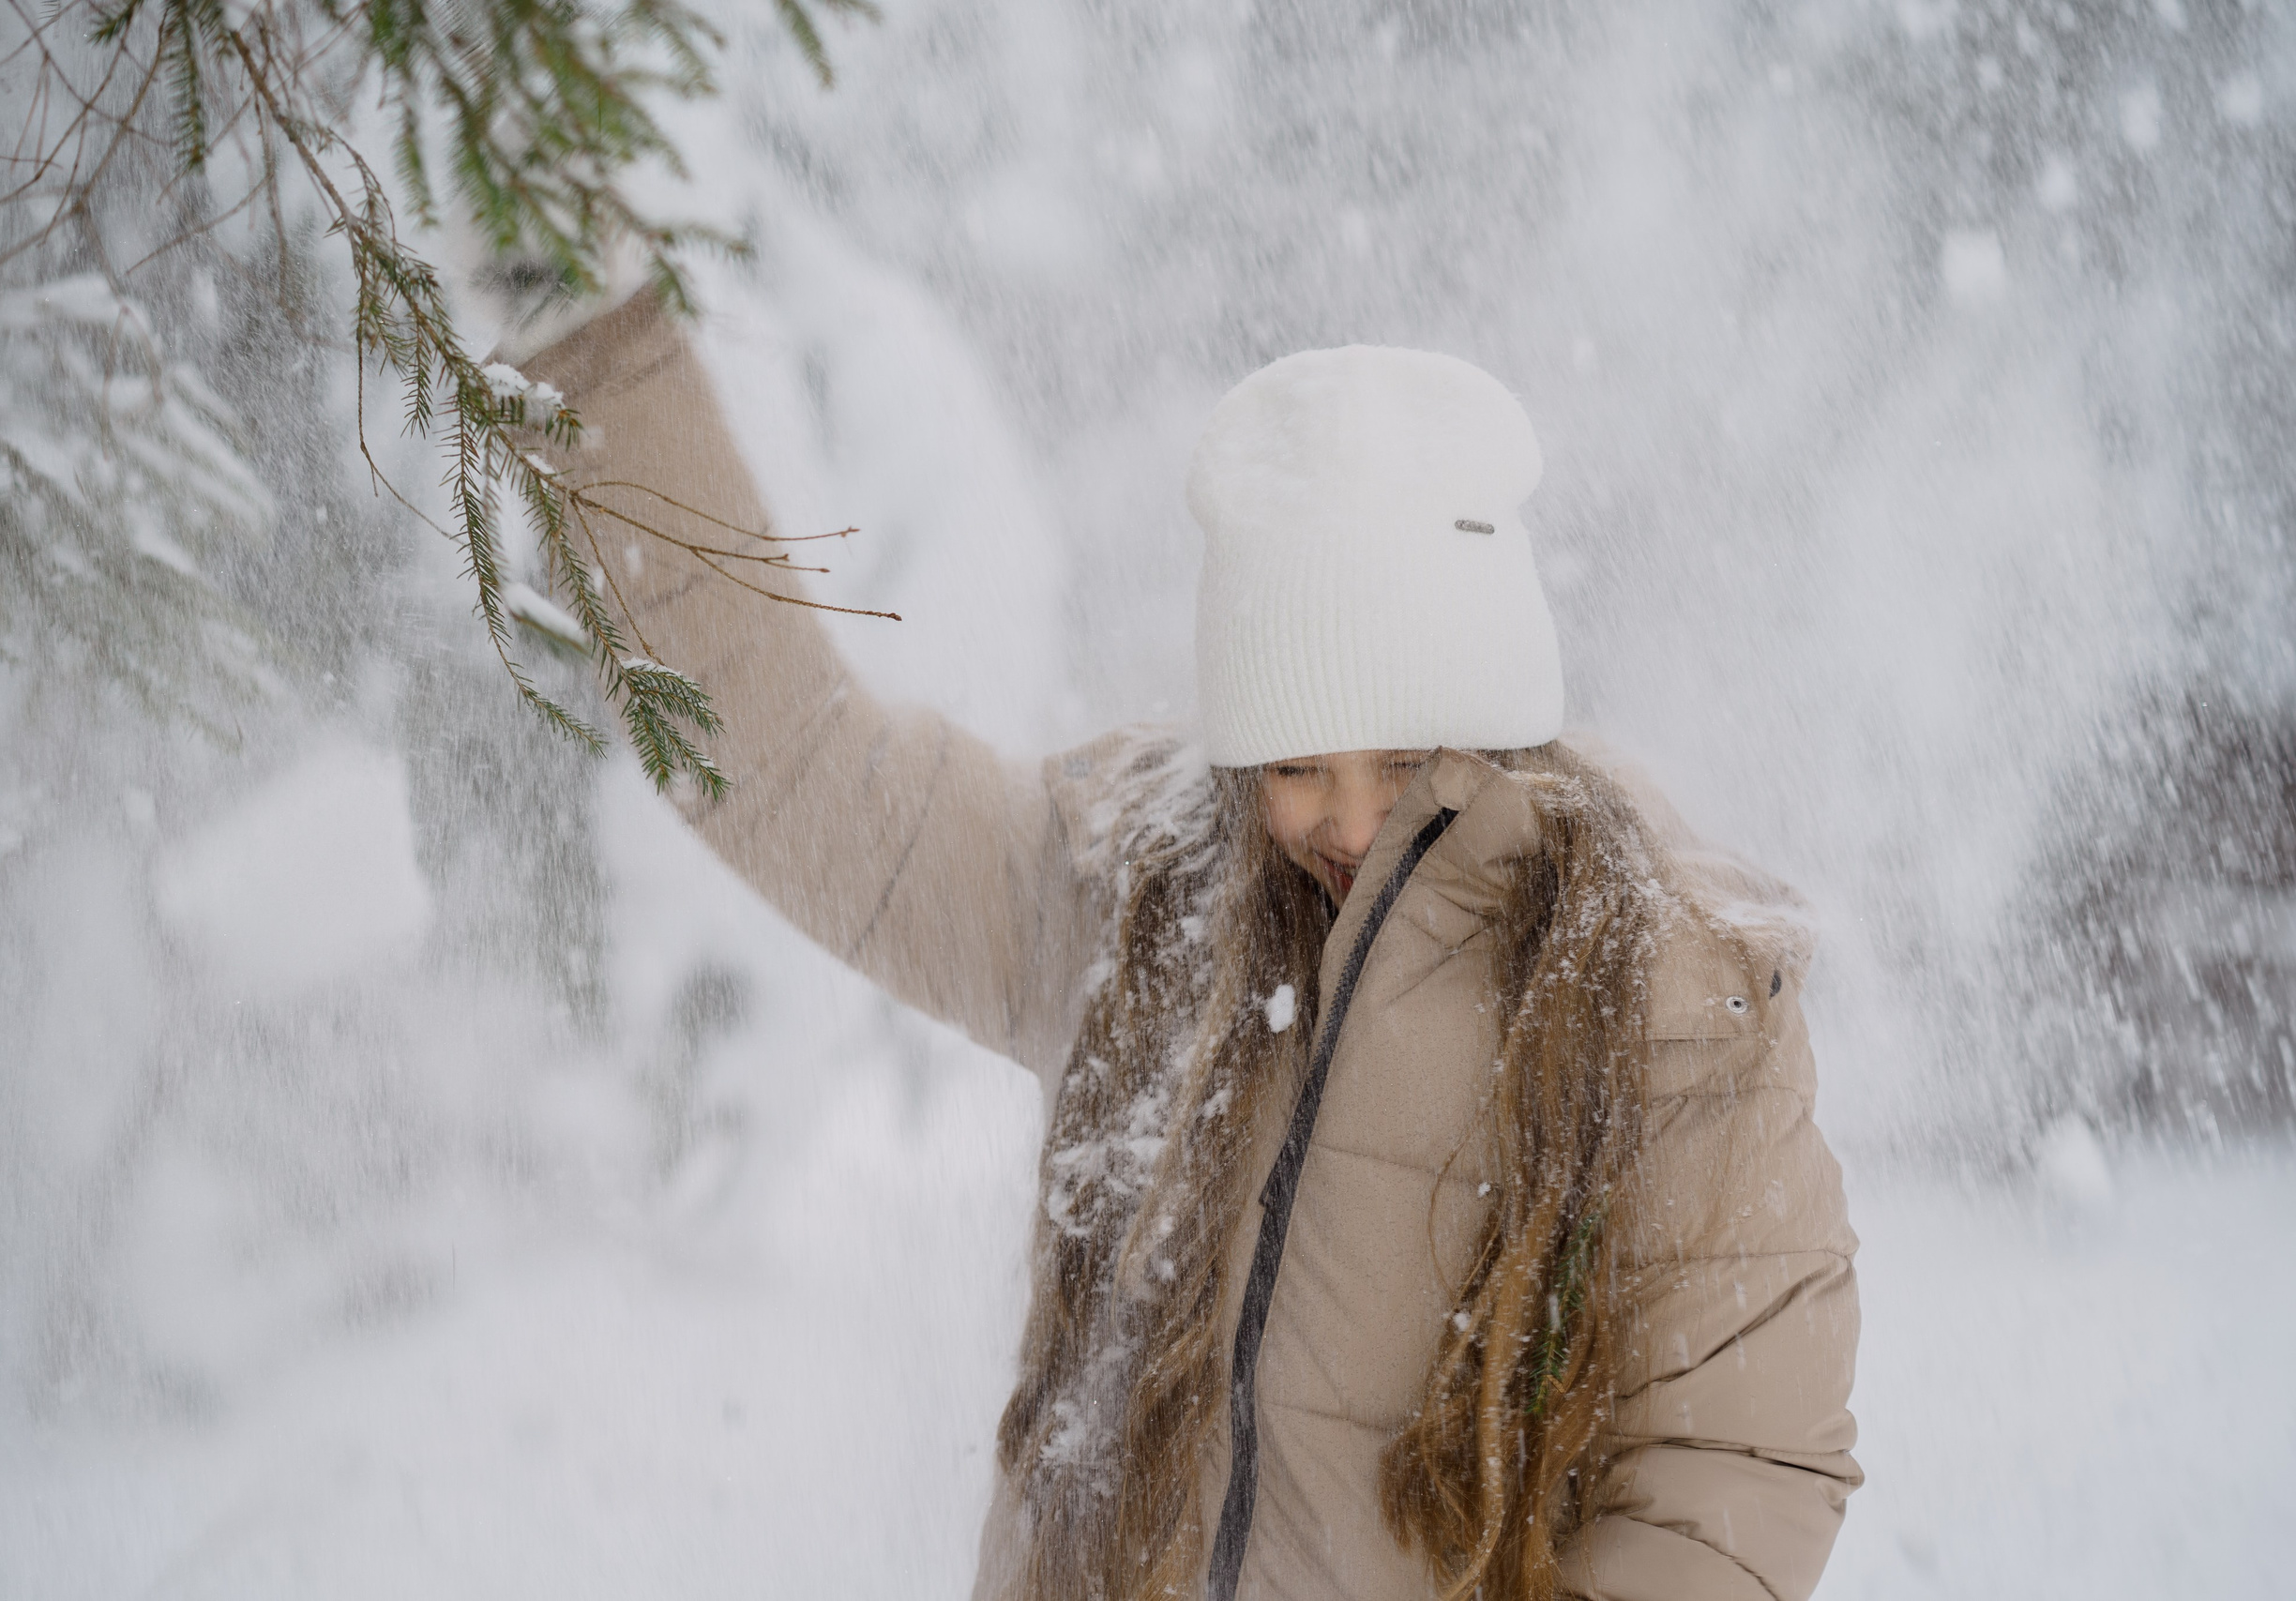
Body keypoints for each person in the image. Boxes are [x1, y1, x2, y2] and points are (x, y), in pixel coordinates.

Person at [513, 289, 1862, 1601]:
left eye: (1401, 758)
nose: (1345, 818)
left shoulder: (1665, 1000)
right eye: (1293, 762)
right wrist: (598, 351)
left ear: (1496, 717)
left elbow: (1736, 1469)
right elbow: (799, 771)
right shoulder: (1133, 894)